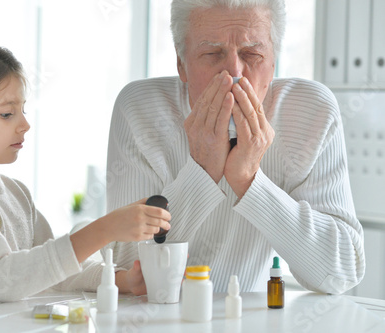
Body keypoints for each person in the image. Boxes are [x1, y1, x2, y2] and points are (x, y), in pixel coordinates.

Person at [105, 0, 365, 294]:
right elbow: (129, 271)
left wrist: (250, 182)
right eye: (212, 53)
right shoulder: (140, 110)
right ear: (182, 64)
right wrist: (202, 172)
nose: (233, 73)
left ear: (273, 62)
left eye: (252, 54)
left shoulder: (312, 111)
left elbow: (341, 273)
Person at [0, 41, 170, 308]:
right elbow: (2, 279)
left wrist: (120, 279)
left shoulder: (16, 192)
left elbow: (51, 266)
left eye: (22, 110)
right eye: (6, 114)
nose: (25, 124)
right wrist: (103, 230)